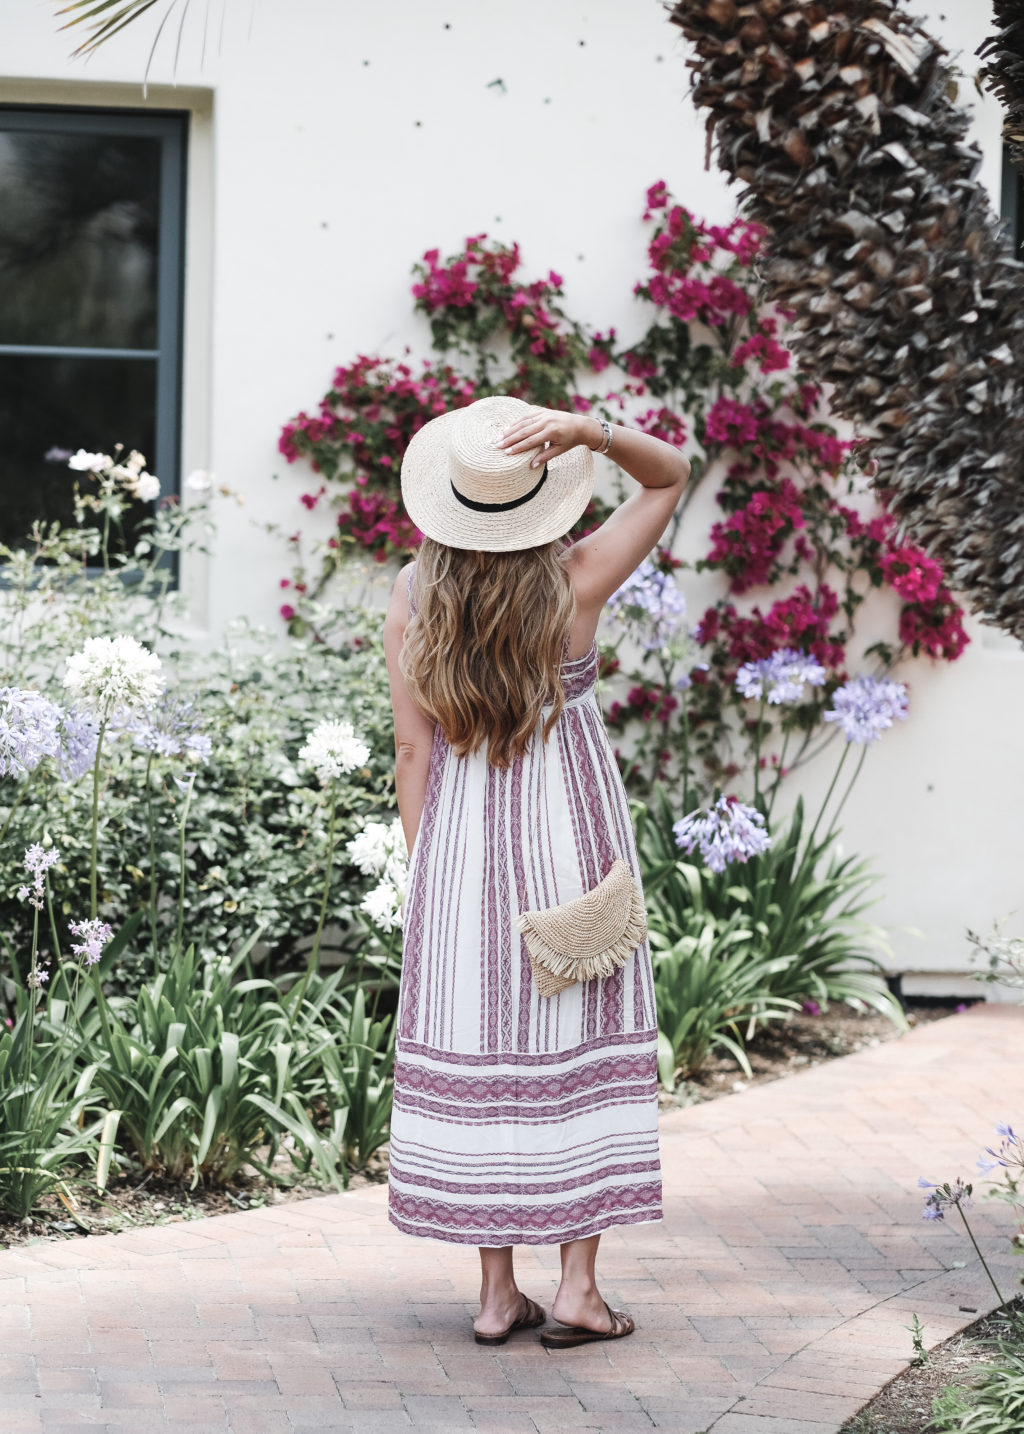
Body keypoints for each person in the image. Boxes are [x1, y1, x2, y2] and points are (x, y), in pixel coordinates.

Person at [383, 394, 689, 1347]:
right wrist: (588, 429)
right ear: (542, 500)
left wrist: (429, 869)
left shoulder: (411, 594)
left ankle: (492, 1294)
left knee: (484, 1045)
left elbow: (410, 752)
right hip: (570, 829)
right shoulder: (579, 578)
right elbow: (671, 471)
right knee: (573, 1043)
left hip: (463, 845)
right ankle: (579, 1290)